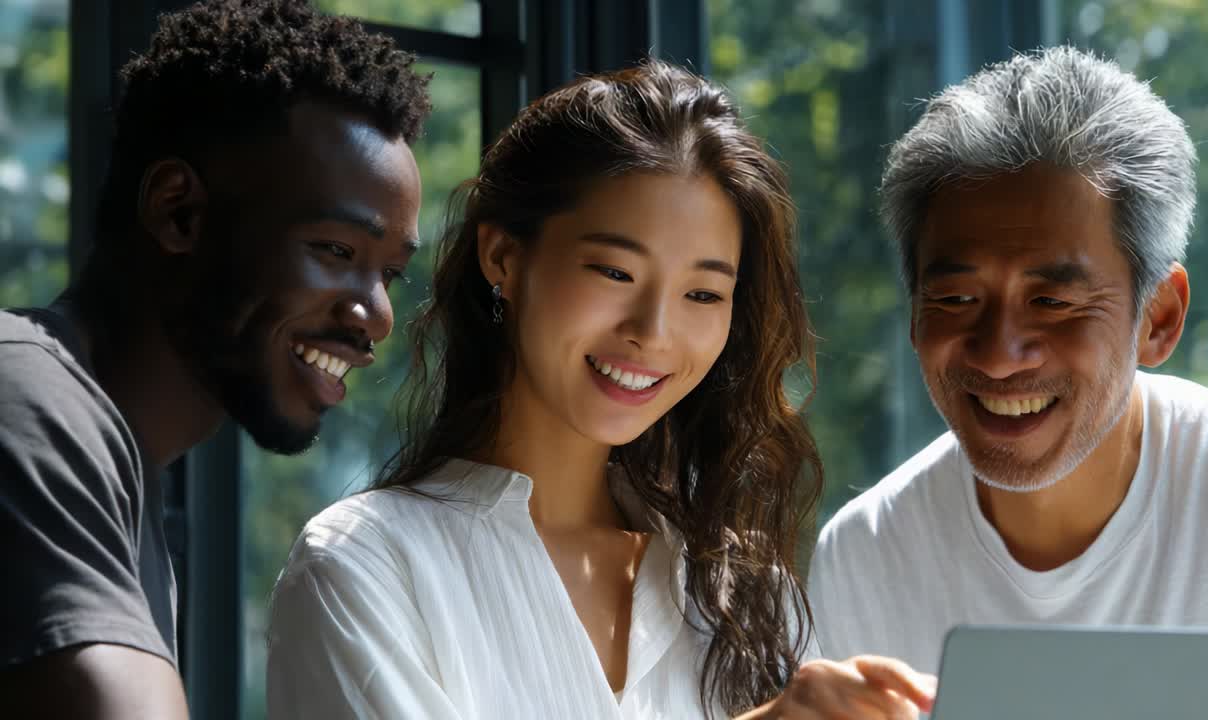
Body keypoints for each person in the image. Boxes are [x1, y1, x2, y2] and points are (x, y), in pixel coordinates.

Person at [266, 60, 937, 719]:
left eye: (703, 293)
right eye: (615, 273)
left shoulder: (749, 600)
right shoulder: (363, 567)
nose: (654, 331)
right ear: (503, 256)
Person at [0, 1, 430, 717]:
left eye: (387, 274)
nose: (378, 316)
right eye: (336, 251)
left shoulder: (122, 474)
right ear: (179, 212)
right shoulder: (26, 397)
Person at [809, 46, 1208, 674]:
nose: (1000, 355)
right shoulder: (868, 555)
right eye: (955, 297)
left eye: (1053, 301)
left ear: (1159, 318)